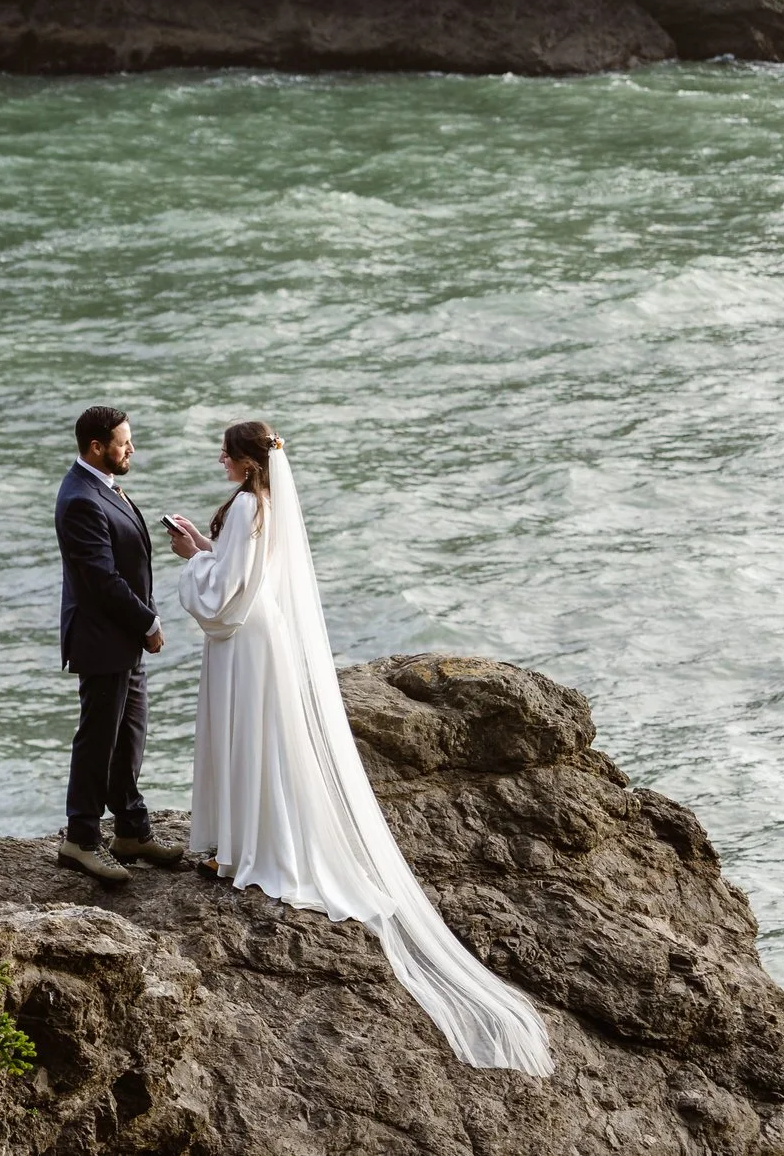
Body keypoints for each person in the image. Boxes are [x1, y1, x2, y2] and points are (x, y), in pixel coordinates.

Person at [166, 422, 555, 1074]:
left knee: (246, 738)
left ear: (247, 461)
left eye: (227, 452)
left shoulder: (247, 505)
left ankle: (245, 850)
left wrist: (189, 559)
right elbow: (247, 570)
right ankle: (244, 843)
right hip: (264, 635)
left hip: (244, 642)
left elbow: (223, 592)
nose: (219, 458)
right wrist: (208, 547)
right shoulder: (267, 505)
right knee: (261, 743)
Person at [53, 405, 187, 885]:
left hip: (121, 638)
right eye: (123, 442)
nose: (131, 448)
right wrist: (148, 622)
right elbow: (102, 579)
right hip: (102, 638)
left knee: (129, 737)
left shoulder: (102, 486)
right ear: (96, 447)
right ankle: (81, 839)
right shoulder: (80, 498)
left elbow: (127, 563)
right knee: (98, 740)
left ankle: (131, 830)